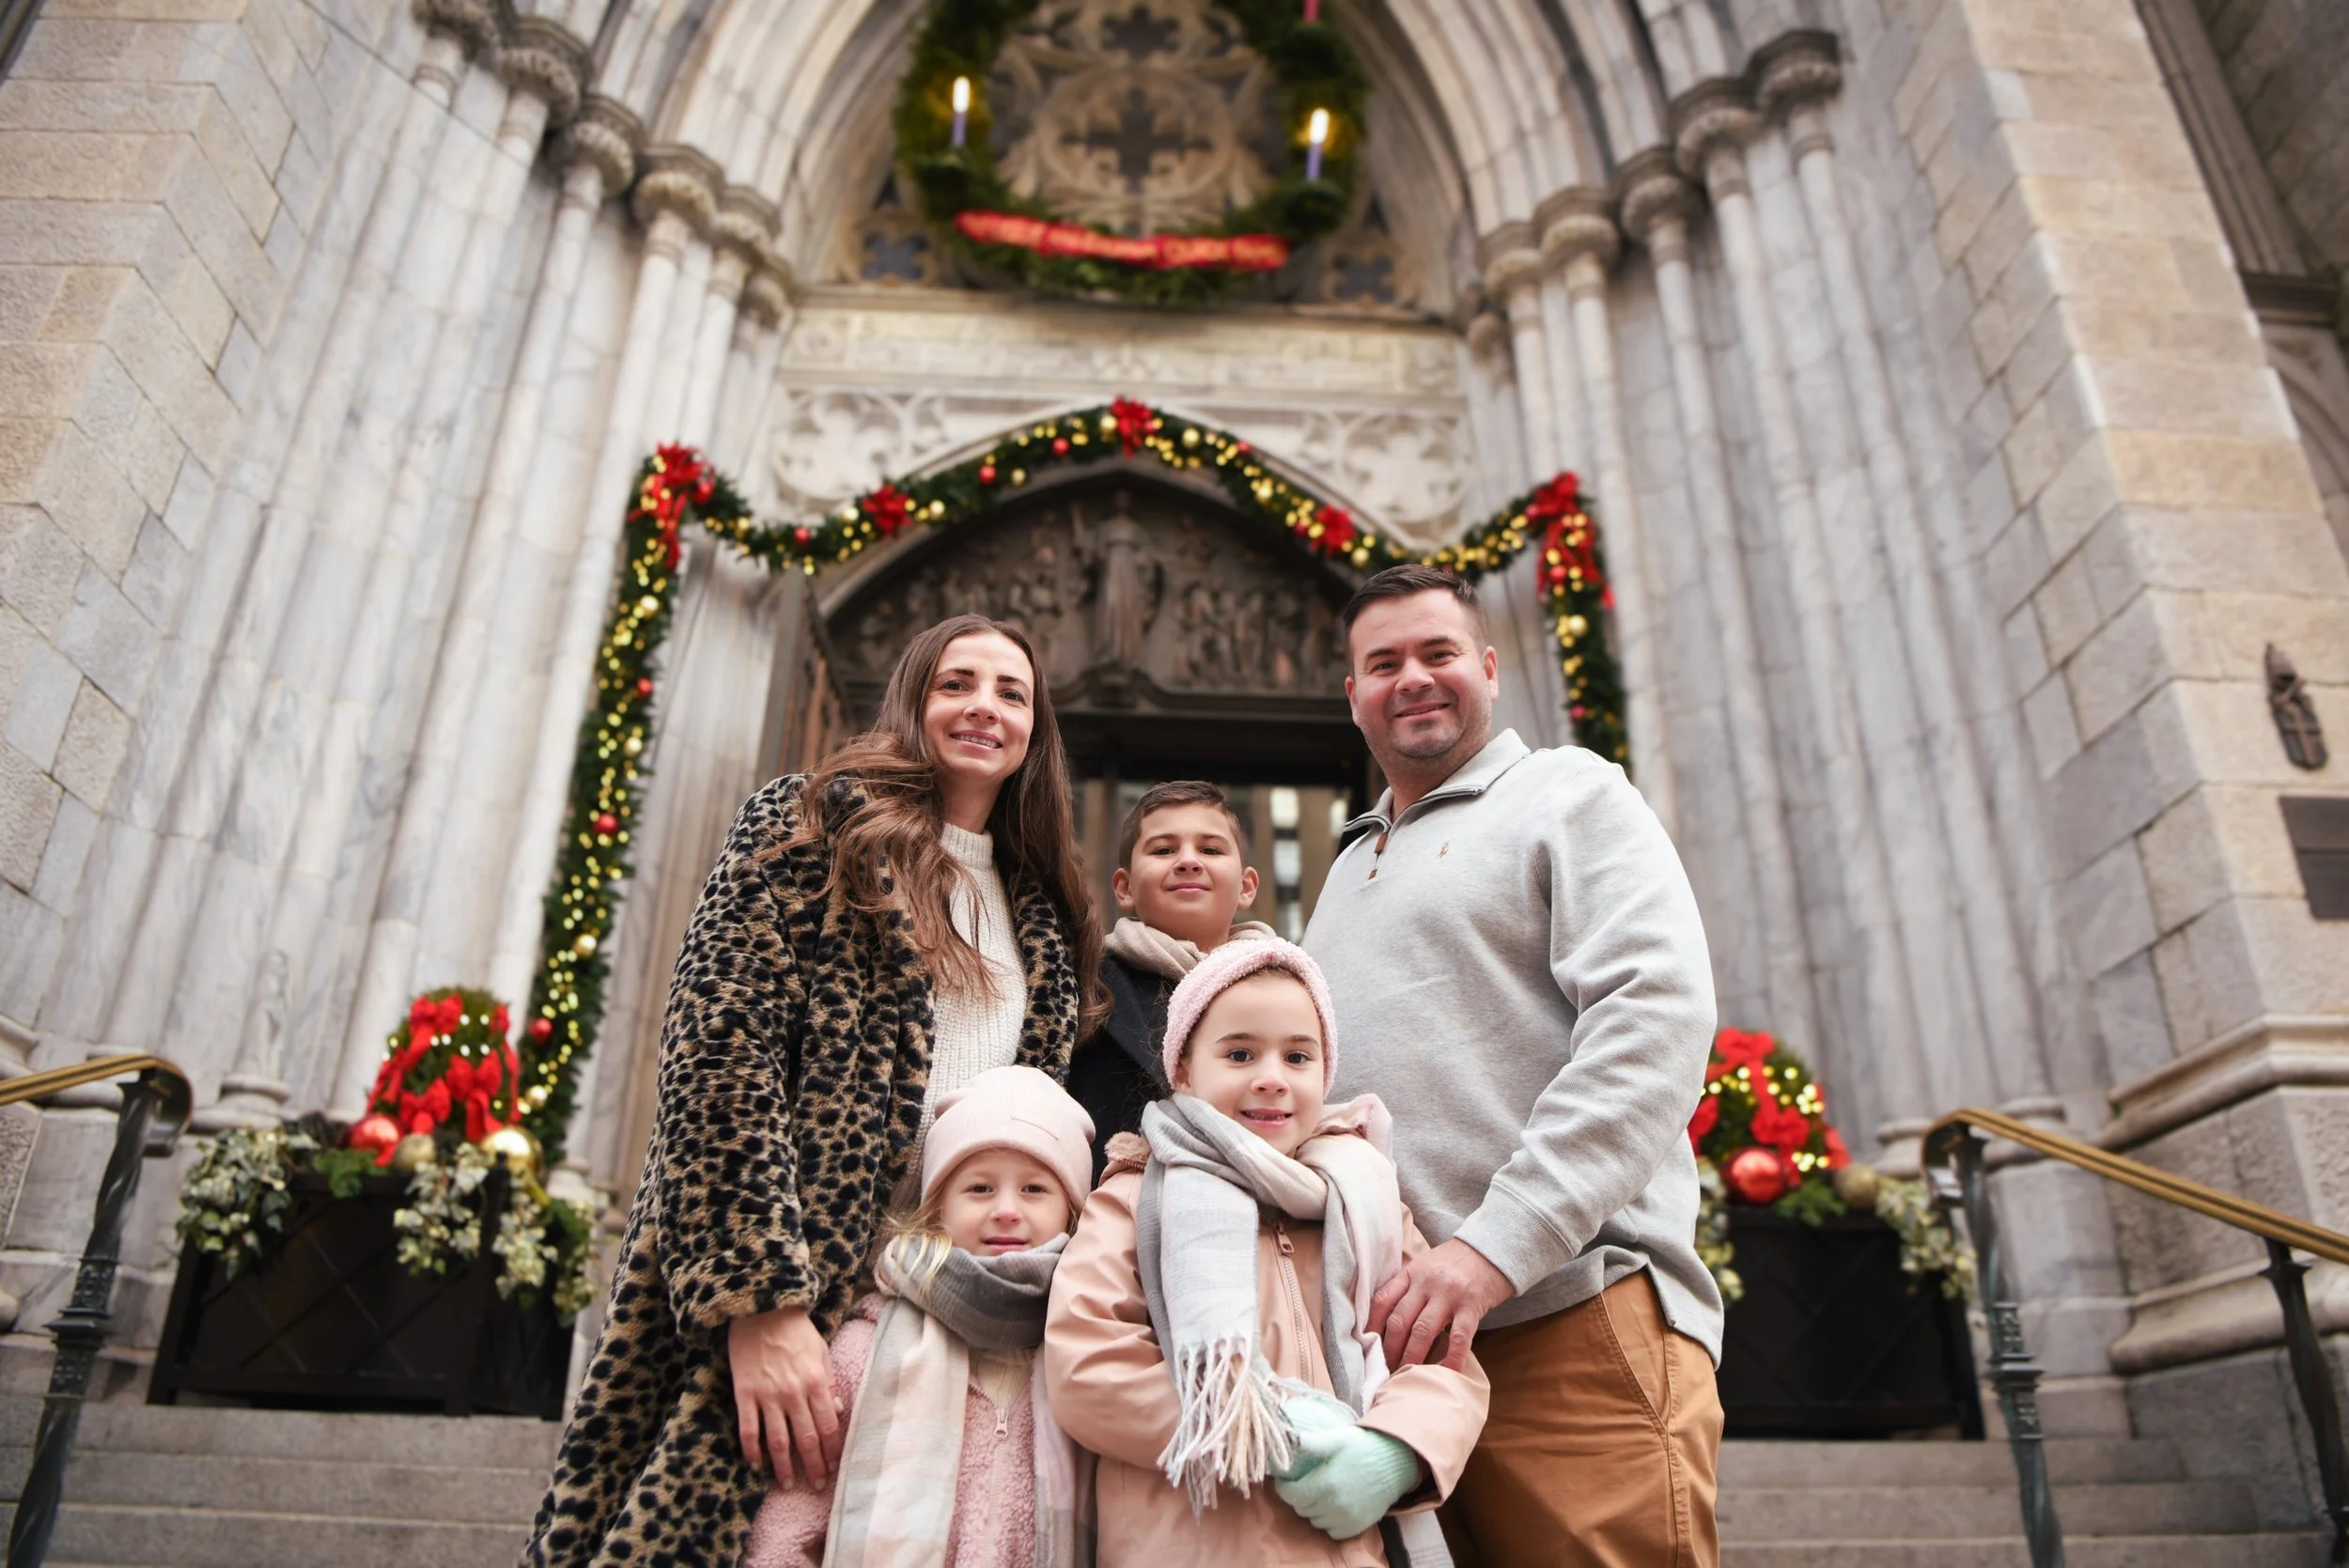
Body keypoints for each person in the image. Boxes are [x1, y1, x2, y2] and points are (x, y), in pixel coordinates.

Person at [522, 614, 1108, 1568]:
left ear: (1035, 734)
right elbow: (718, 1050)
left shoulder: (1042, 908)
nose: (983, 708)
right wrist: (759, 1304)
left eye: (1012, 693)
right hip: (793, 1293)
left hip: (952, 1311)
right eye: (957, 682)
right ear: (913, 700)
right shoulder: (810, 825)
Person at [1301, 565, 1722, 1568]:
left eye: (1437, 653)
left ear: (1487, 668)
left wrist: (1494, 1247)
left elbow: (1654, 1017)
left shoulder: (1570, 792)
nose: (1414, 678)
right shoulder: (1342, 870)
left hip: (1568, 1319)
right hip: (1400, 1368)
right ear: (1351, 695)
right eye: (1383, 662)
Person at [1046, 939, 1487, 1567]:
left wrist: (1396, 1451)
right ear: (1185, 1070)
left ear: (1325, 1072)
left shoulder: (1368, 1201)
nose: (1272, 1077)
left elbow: (1442, 1359)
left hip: (1345, 1548)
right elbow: (1085, 1361)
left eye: (1298, 1056)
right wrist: (1256, 1428)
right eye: (1240, 1053)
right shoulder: (1135, 1196)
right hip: (1184, 1545)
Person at [739, 1064, 1097, 1568]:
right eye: (979, 1188)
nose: (1006, 1210)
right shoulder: (867, 1348)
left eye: (1034, 1190)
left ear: (1071, 1212)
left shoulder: (1085, 1349)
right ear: (938, 1210)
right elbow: (793, 1516)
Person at [1065, 780, 1276, 1175]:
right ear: (1124, 888)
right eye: (1164, 850)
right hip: (1113, 1213)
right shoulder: (1086, 987)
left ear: (1246, 887)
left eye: (1210, 849)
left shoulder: (1288, 989)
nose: (1188, 861)